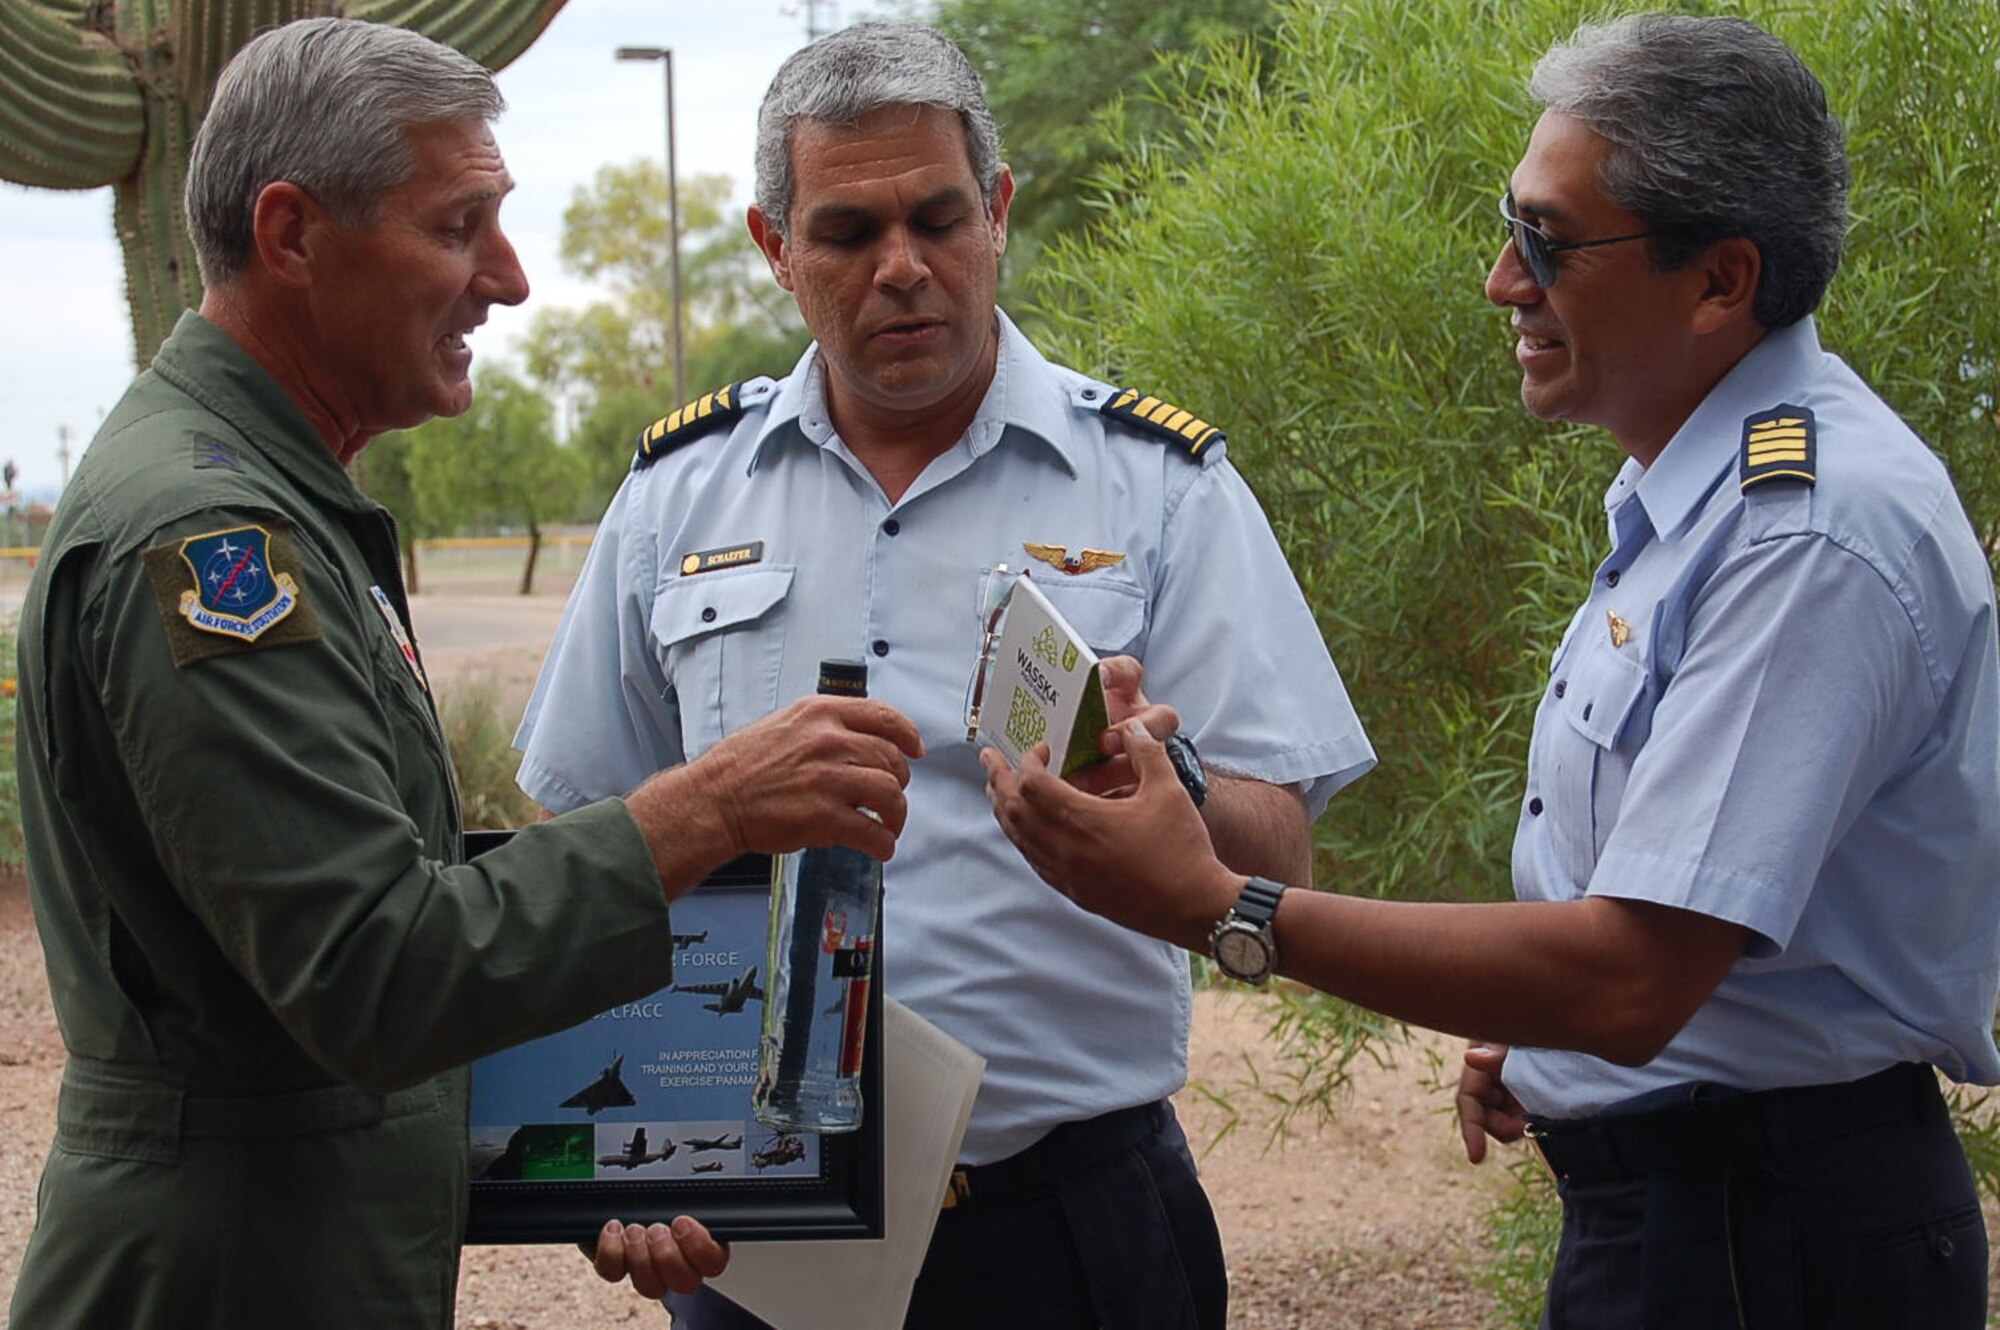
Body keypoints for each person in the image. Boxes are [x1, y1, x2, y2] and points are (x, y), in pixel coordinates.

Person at [983, 13, 1999, 1329]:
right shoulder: (1695, 501)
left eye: (1548, 242)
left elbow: (1631, 976)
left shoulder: (1805, 531)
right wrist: (1547, 1035)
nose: (1500, 282)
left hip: (1764, 1236)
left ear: (1720, 279)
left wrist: (1227, 907)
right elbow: (1649, 939)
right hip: (1700, 1211)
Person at [9, 18, 923, 1329]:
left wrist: (644, 1134)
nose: (509, 279)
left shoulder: (274, 496)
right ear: (291, 234)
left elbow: (369, 924)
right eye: (459, 226)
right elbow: (374, 972)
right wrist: (705, 808)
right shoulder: (211, 545)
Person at [513, 20, 1374, 1329]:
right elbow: (584, 847)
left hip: (1075, 1224)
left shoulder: (1158, 490)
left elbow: (1283, 863)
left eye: (938, 217)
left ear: (1000, 213)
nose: (903, 267)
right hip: (761, 1233)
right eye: (850, 232)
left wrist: (1166, 784)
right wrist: (613, 1143)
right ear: (775, 249)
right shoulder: (673, 499)